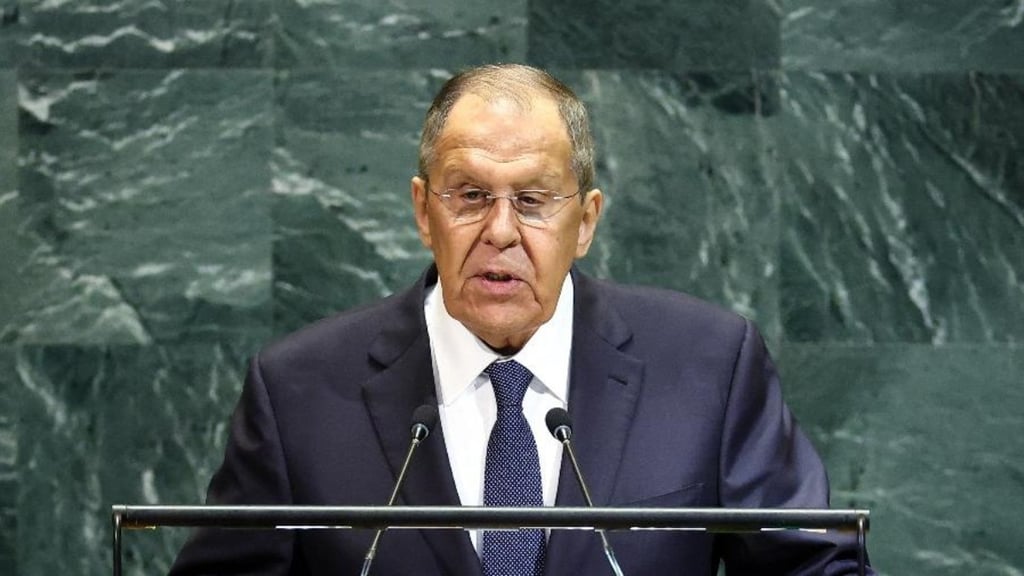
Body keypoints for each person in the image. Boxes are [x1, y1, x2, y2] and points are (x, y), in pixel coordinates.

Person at [170, 63, 873, 575]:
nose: (500, 231)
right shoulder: (296, 392)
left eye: (533, 200)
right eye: (470, 195)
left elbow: (815, 568)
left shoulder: (709, 366)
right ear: (423, 211)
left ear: (586, 221)